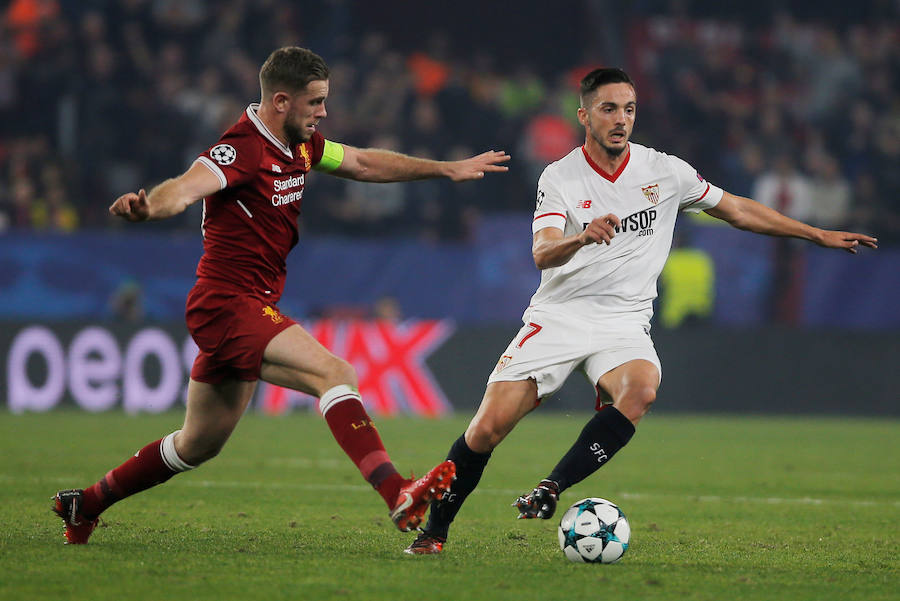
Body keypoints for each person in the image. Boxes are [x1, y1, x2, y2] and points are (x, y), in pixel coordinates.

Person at [405, 67, 877, 555]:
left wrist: (816, 234)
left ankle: (551, 487)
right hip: (560, 314)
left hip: (623, 321)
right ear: (584, 115)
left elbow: (735, 208)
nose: (620, 119)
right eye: (609, 109)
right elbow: (542, 253)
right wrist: (582, 236)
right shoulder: (560, 176)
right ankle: (434, 531)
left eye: (629, 109)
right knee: (486, 429)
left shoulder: (665, 171)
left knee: (641, 389)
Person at [52, 46, 510, 544]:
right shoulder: (242, 149)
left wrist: (444, 169)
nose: (323, 112)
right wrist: (149, 207)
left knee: (197, 444)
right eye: (315, 102)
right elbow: (186, 188)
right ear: (281, 102)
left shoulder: (301, 145)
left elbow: (360, 163)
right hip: (227, 303)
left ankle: (86, 504)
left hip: (251, 305)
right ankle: (398, 491)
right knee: (335, 373)